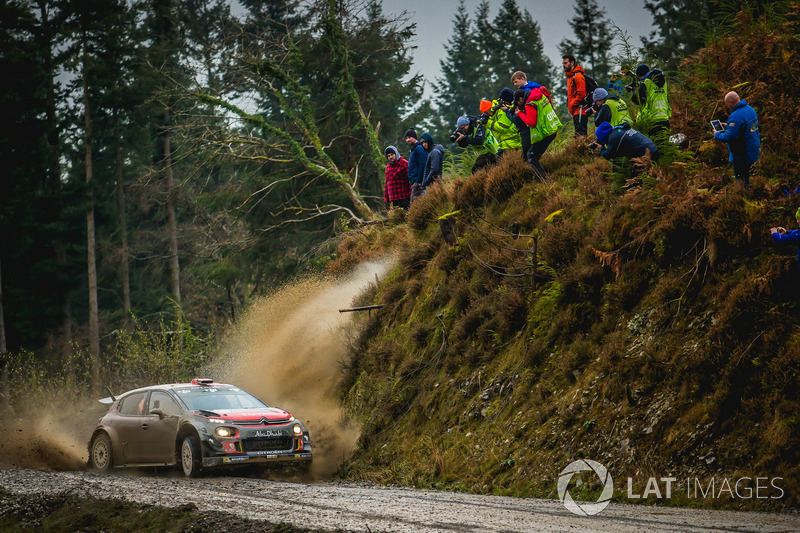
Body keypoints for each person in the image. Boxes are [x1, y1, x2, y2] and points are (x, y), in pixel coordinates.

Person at [514, 85, 562, 180]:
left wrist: (520, 113)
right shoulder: (538, 95)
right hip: (552, 128)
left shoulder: (529, 103)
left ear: (520, 98)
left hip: (546, 133)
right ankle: (538, 177)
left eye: (518, 102)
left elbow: (531, 122)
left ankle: (543, 180)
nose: (519, 104)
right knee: (535, 155)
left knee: (531, 155)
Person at [713, 91, 760, 187]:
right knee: (745, 174)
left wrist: (717, 134)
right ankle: (749, 191)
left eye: (727, 104)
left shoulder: (735, 116)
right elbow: (743, 128)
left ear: (731, 101)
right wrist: (729, 127)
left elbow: (730, 137)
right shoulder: (750, 110)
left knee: (741, 179)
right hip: (752, 148)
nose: (727, 106)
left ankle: (743, 196)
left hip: (742, 153)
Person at [592, 121, 658, 178]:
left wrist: (601, 148)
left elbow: (608, 155)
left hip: (646, 153)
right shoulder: (619, 130)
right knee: (645, 173)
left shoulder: (614, 137)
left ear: (603, 136)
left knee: (637, 176)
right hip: (651, 148)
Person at [630, 64, 671, 134]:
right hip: (664, 118)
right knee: (663, 142)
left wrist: (634, 89)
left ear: (641, 75)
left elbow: (638, 100)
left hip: (651, 120)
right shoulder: (664, 83)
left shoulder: (647, 83)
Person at [484, 89, 522, 154]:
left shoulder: (505, 111)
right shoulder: (499, 108)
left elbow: (503, 127)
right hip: (506, 144)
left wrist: (487, 122)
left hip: (511, 145)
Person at [562, 54, 589, 136]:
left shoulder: (578, 76)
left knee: (581, 136)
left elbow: (582, 94)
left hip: (580, 111)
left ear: (572, 62)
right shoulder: (570, 77)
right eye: (563, 63)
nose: (564, 65)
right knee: (578, 135)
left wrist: (572, 104)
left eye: (566, 63)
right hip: (575, 111)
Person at [383, 146, 410, 210]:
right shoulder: (388, 167)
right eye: (388, 156)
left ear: (396, 153)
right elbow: (387, 184)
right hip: (393, 199)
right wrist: (386, 199)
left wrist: (410, 195)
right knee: (398, 218)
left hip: (404, 197)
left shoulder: (405, 164)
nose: (390, 157)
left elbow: (410, 180)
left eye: (392, 154)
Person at [405, 128, 427, 203]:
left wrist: (418, 181)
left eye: (409, 137)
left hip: (417, 182)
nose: (407, 140)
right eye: (406, 138)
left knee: (414, 206)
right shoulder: (414, 149)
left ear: (414, 137)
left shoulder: (419, 148)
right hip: (413, 182)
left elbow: (423, 165)